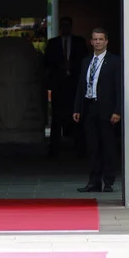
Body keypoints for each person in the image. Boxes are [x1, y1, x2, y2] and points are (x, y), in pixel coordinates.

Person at [72, 28, 121, 193]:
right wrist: (77, 108)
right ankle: (94, 181)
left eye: (101, 39)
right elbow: (81, 86)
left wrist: (117, 111)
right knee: (92, 147)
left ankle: (108, 181)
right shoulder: (86, 61)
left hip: (107, 110)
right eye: (95, 39)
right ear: (91, 42)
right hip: (89, 107)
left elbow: (119, 87)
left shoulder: (114, 61)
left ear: (106, 41)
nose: (98, 42)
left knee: (108, 147)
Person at [44, 17, 88, 159]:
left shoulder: (79, 42)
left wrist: (72, 67)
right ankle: (54, 150)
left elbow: (85, 61)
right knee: (56, 118)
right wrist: (59, 67)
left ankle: (80, 149)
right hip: (59, 85)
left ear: (71, 26)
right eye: (62, 25)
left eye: (67, 25)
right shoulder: (53, 43)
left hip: (75, 85)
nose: (65, 28)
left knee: (77, 116)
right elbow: (46, 63)